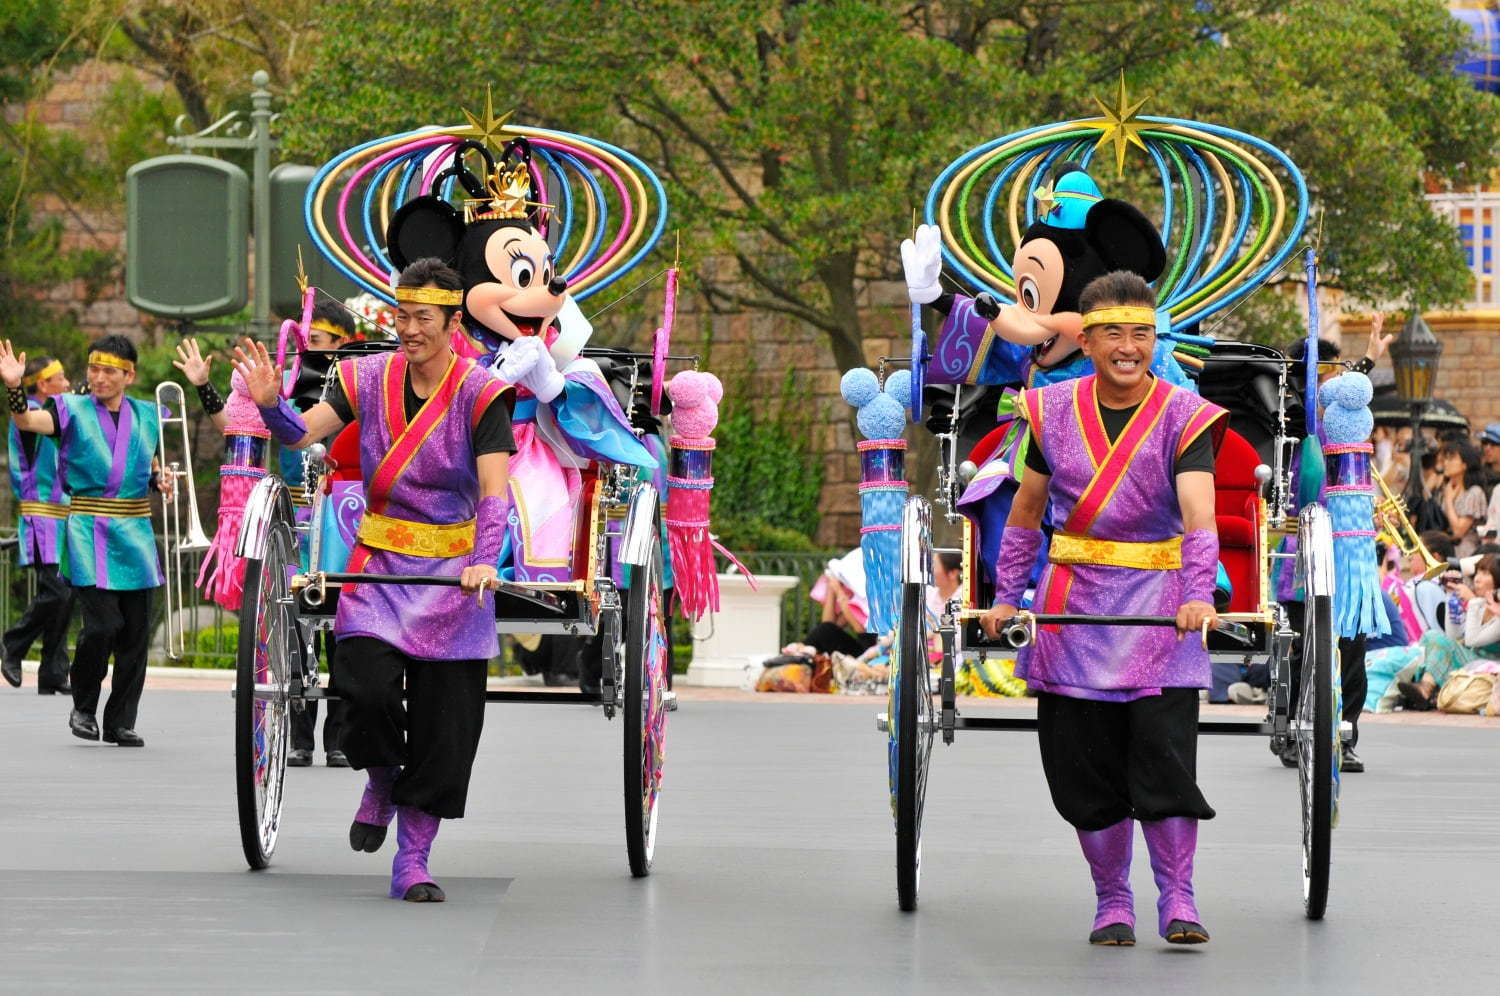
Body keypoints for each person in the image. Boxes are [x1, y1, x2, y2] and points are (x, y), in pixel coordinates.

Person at [235, 257, 513, 903]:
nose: (409, 329)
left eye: (423, 319)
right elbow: (303, 436)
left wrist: (484, 559)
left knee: (448, 733)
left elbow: (495, 491)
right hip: (380, 567)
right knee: (361, 692)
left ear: (451, 323)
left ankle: (412, 859)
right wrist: (273, 404)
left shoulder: (483, 393)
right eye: (402, 316)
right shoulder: (363, 376)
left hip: (455, 577)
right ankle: (382, 778)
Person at [978, 271, 1225, 947]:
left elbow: (1200, 513)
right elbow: (1025, 514)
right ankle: (1112, 899)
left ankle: (1178, 896)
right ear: (1084, 341)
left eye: (1142, 333)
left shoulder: (1186, 414)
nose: (1129, 346)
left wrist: (1200, 593)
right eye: (1113, 332)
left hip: (1162, 607)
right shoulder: (1047, 412)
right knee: (1082, 765)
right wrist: (1005, 599)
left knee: (1163, 758)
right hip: (1073, 607)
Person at [0, 336, 167, 747]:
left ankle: (120, 722)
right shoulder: (68, 409)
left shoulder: (148, 416)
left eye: (109, 370)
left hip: (137, 534)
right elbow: (27, 423)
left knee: (135, 635)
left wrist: (159, 479)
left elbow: (148, 465)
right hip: (88, 532)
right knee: (103, 625)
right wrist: (14, 388)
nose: (98, 377)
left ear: (130, 375)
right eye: (93, 368)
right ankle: (84, 708)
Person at [3, 356, 74, 693]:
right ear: (44, 385)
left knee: (65, 595)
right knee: (56, 592)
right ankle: (11, 644)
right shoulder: (29, 414)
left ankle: (53, 672)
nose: (67, 384)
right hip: (40, 517)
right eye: (61, 379)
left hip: (58, 519)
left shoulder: (51, 416)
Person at [1435, 439, 1488, 557]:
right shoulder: (1447, 488)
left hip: (1466, 555)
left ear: (1465, 464)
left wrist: (1449, 500)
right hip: (1445, 553)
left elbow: (1458, 531)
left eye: (1452, 458)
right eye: (1446, 458)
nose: (1446, 463)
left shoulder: (1474, 493)